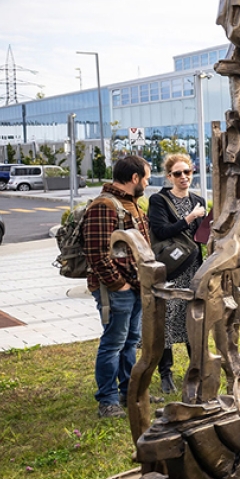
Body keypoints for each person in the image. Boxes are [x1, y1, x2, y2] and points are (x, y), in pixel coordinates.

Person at [83, 155, 152, 418]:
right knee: (113, 343)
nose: (147, 183)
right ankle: (108, 400)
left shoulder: (131, 203)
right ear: (134, 178)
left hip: (135, 286)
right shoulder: (105, 205)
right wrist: (118, 285)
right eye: (146, 178)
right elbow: (96, 253)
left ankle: (129, 392)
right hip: (116, 290)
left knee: (130, 341)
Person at [147, 153, 206, 394]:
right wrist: (190, 217)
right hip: (171, 268)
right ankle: (166, 373)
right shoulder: (159, 200)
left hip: (194, 268)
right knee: (168, 321)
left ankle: (197, 369)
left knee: (193, 318)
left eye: (187, 172)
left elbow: (200, 237)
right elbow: (161, 231)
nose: (184, 177)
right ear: (169, 176)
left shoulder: (198, 200)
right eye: (178, 173)